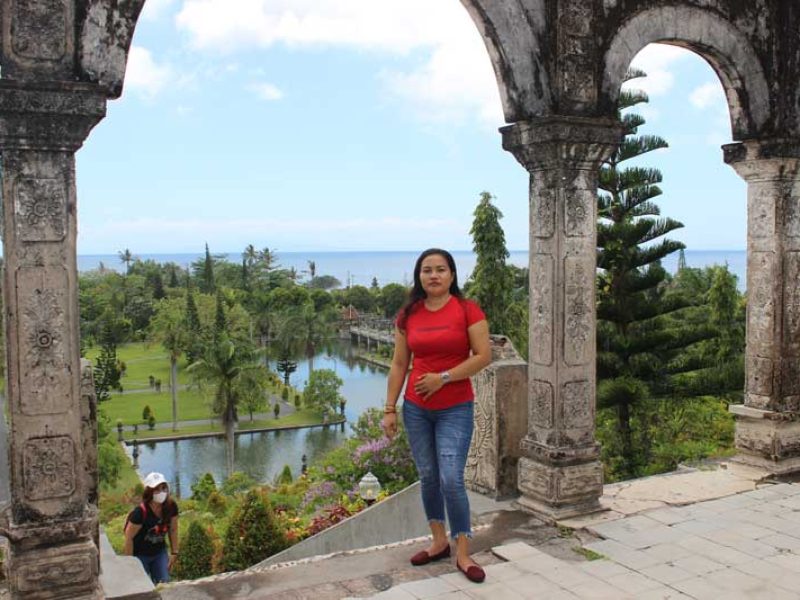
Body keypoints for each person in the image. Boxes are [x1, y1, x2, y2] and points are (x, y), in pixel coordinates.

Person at [382, 248, 491, 583]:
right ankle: (438, 541)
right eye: (426, 270)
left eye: (440, 270)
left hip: (455, 407)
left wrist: (443, 377)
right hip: (416, 409)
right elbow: (400, 364)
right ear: (419, 276)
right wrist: (389, 408)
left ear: (452, 275)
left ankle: (462, 551)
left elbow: (483, 356)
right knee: (428, 476)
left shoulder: (467, 310)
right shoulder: (408, 314)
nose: (433, 275)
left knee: (450, 479)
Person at [123, 472, 180, 584]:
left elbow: (173, 529)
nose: (161, 492)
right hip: (140, 555)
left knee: (164, 584)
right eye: (157, 489)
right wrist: (130, 563)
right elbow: (129, 537)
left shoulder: (171, 506)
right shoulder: (140, 512)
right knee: (141, 586)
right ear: (149, 491)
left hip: (159, 553)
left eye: (163, 488)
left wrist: (174, 552)